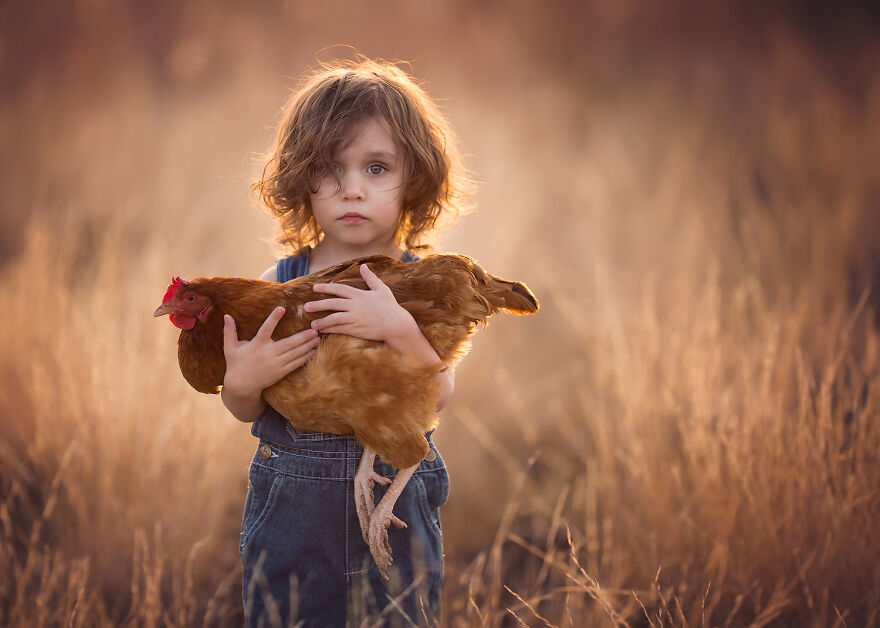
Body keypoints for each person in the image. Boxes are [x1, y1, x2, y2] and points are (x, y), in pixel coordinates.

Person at [221, 58, 464, 627]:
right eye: (331, 169)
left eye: (377, 168)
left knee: (400, 616)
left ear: (415, 181)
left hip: (394, 500)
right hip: (293, 507)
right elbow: (242, 406)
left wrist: (398, 328)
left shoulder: (419, 286)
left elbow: (437, 397)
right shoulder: (276, 285)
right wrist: (243, 381)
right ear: (304, 178)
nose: (352, 189)